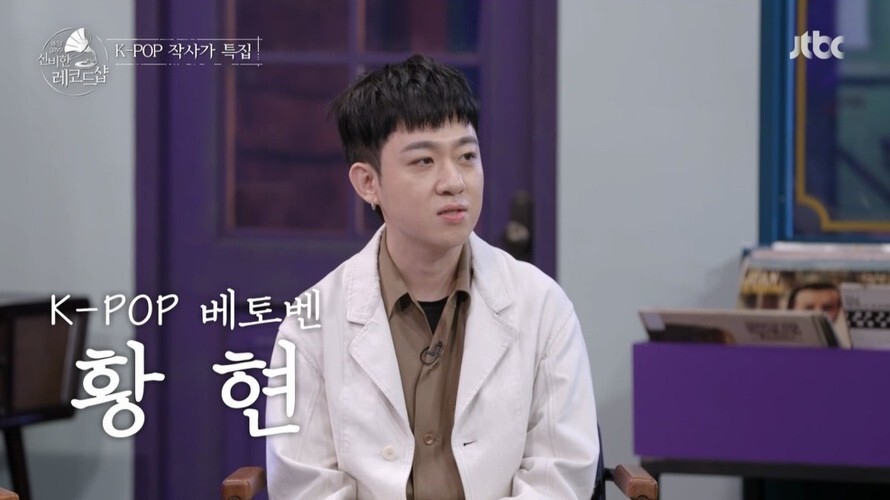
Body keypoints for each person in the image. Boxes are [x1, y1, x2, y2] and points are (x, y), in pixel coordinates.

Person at [266, 54, 599, 499]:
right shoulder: (312, 321)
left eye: (467, 156)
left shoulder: (541, 306)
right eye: (424, 161)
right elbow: (305, 484)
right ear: (368, 183)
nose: (454, 182)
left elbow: (560, 475)